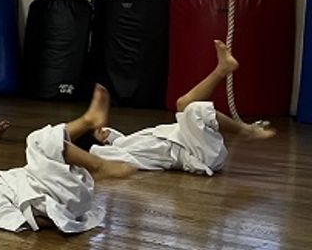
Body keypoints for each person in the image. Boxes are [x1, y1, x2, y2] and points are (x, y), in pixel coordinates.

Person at [0, 84, 135, 233]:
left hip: (61, 193)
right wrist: (60, 220)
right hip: (58, 201)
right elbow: (15, 220)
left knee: (48, 149)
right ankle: (94, 147)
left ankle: (91, 134)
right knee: (36, 142)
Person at [87, 40, 274, 174]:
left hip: (192, 139)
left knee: (183, 104)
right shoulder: (117, 154)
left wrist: (110, 135)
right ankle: (247, 131)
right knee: (193, 110)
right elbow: (97, 160)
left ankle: (222, 69)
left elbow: (120, 140)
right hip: (199, 154)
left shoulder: (123, 143)